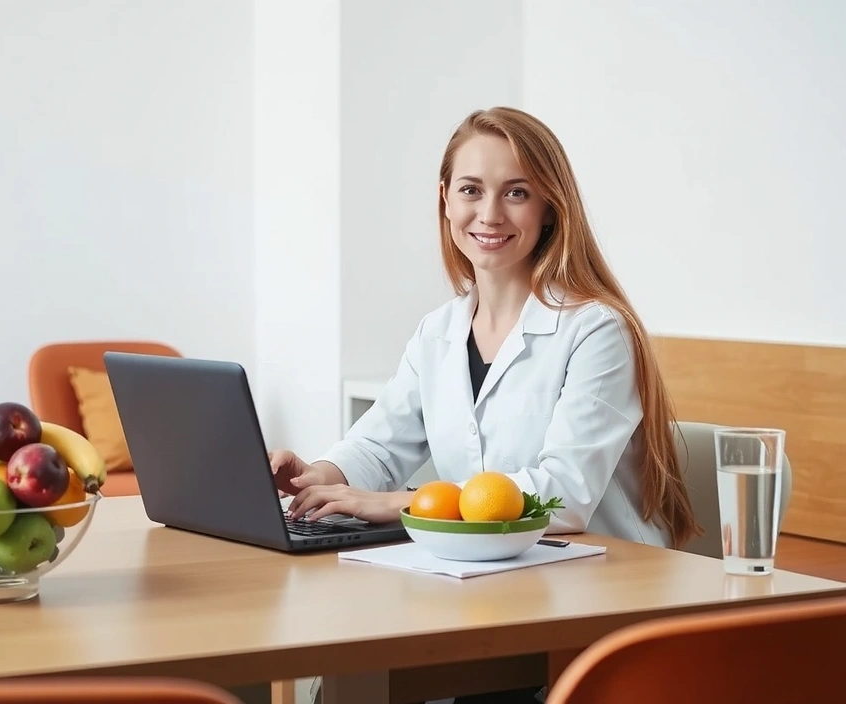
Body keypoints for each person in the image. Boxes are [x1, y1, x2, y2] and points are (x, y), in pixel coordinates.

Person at [269, 106, 702, 701]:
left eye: (516, 192)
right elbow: (381, 440)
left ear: (550, 206)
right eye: (471, 190)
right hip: (492, 594)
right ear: (446, 199)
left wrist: (396, 505)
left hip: (597, 611)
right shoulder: (438, 331)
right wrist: (320, 475)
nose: (490, 214)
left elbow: (563, 495)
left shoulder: (595, 329)